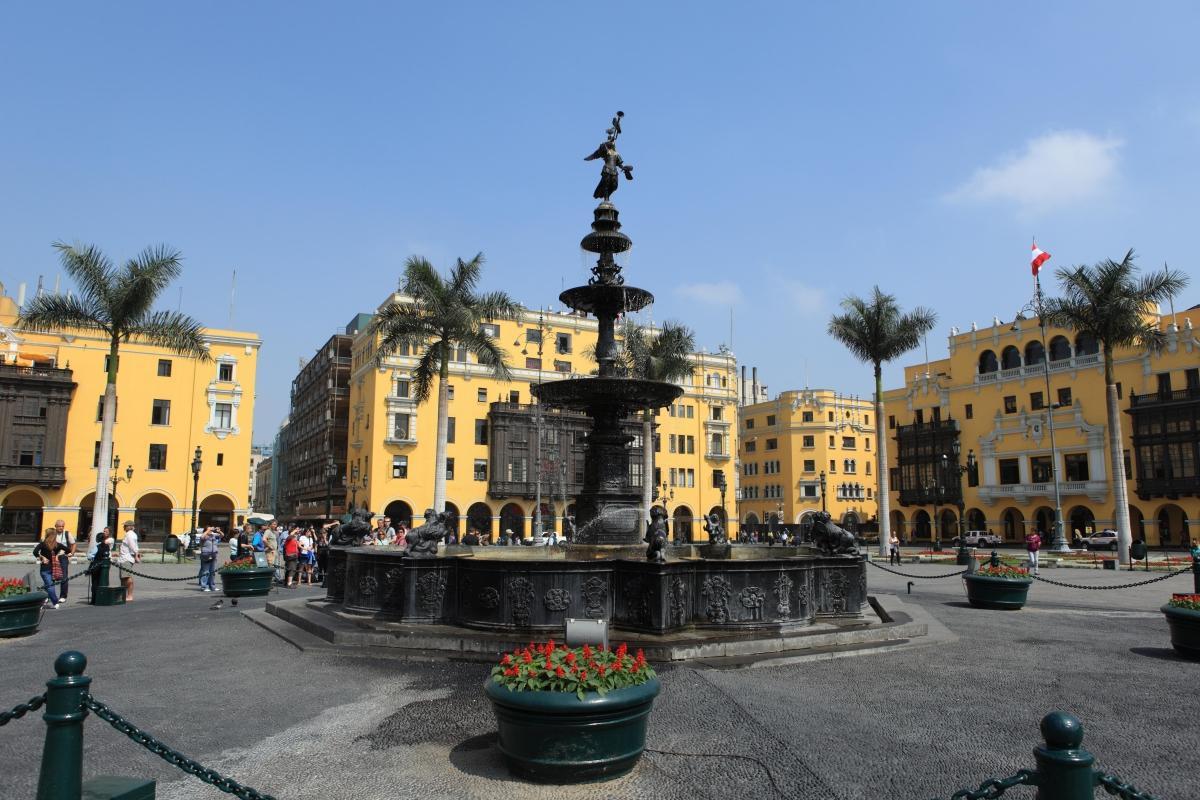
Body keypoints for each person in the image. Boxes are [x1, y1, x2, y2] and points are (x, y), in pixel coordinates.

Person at [34, 528, 67, 608]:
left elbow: (35, 552)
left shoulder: (43, 544)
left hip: (45, 569)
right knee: (49, 585)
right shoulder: (57, 545)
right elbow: (68, 550)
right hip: (53, 568)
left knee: (49, 585)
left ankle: (55, 602)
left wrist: (42, 557)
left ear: (47, 535)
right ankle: (44, 600)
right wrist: (58, 555)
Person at [88, 527, 114, 601]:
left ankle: (94, 599)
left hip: (96, 566)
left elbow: (90, 556)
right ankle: (103, 597)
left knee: (95, 582)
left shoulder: (97, 546)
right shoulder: (107, 546)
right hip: (104, 565)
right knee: (103, 581)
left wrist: (91, 558)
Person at [52, 519, 75, 602]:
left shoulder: (67, 533)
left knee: (64, 576)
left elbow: (73, 544)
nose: (61, 528)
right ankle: (51, 595)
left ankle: (63, 596)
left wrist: (71, 553)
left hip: (63, 556)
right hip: (53, 556)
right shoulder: (52, 533)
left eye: (62, 526)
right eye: (59, 526)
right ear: (55, 526)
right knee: (52, 575)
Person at [118, 521, 140, 601]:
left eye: (125, 526)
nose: (124, 527)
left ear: (130, 526)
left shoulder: (129, 534)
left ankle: (129, 596)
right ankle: (123, 595)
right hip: (125, 558)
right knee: (124, 577)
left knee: (127, 577)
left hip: (126, 558)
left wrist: (136, 555)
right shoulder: (131, 534)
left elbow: (132, 546)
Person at [197, 527, 223, 591]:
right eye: (209, 530)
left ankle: (212, 586)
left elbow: (222, 535)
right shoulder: (204, 536)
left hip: (213, 555)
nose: (211, 531)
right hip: (206, 555)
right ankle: (204, 587)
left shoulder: (213, 536)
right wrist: (207, 530)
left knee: (212, 571)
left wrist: (219, 531)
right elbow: (201, 537)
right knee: (205, 571)